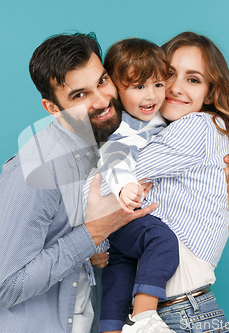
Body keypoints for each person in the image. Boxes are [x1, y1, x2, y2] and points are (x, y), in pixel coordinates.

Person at [0, 32, 158, 333]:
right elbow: (7, 287)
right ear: (53, 108)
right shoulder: (34, 170)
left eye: (102, 81)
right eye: (79, 95)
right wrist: (95, 232)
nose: (102, 101)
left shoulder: (108, 144)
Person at [109, 32, 229, 333]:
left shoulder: (197, 126)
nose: (176, 88)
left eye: (193, 79)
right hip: (181, 311)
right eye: (168, 75)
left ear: (211, 92)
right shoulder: (158, 132)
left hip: (177, 314)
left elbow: (103, 184)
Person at [81, 38, 180, 333]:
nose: (151, 95)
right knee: (162, 241)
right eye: (139, 87)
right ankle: (145, 318)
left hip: (121, 227)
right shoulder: (124, 126)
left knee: (119, 270)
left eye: (158, 85)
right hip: (125, 211)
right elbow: (114, 155)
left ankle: (111, 328)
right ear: (116, 90)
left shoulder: (157, 119)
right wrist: (125, 186)